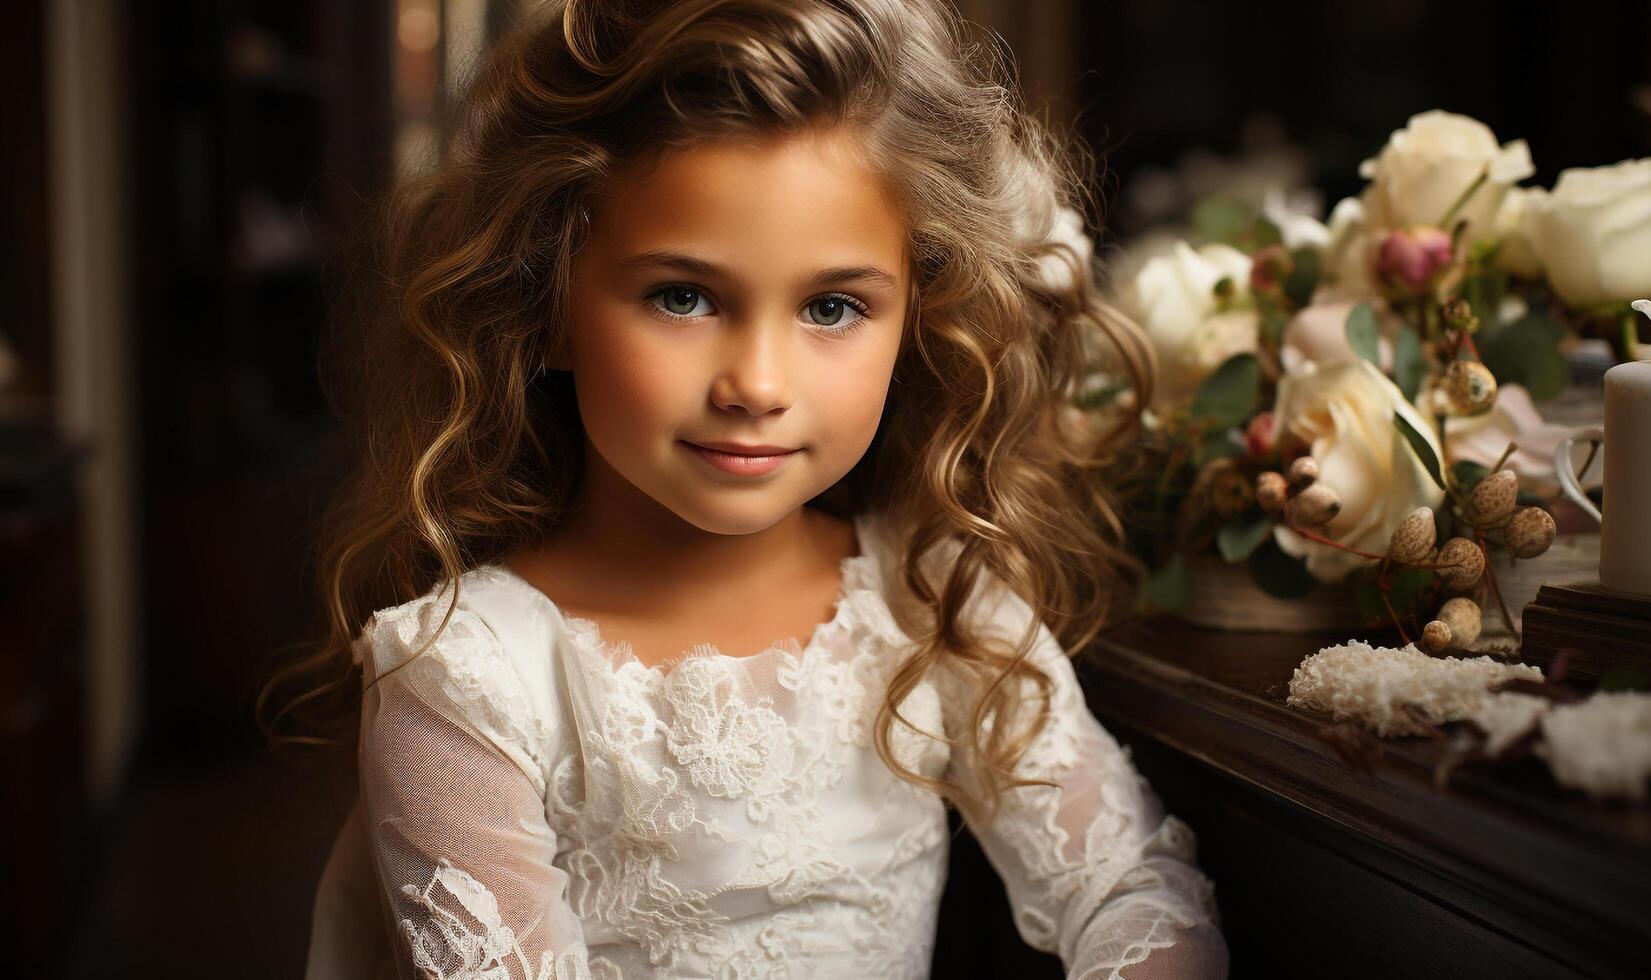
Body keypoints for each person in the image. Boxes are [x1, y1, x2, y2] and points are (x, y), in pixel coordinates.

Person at [277, 1, 1230, 976]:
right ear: (549, 302)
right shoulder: (465, 676)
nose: (757, 386)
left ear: (914, 317)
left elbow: (1127, 888)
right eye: (682, 296)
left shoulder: (933, 597)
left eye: (831, 306)